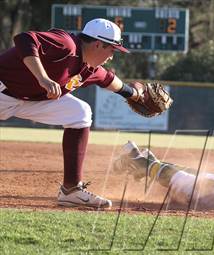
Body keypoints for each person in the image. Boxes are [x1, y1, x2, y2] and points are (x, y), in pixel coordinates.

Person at [0, 18, 149, 208]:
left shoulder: (89, 68)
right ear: (97, 44)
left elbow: (109, 80)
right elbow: (24, 39)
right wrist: (43, 78)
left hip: (27, 100)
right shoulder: (66, 44)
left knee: (80, 113)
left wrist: (134, 94)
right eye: (112, 50)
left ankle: (71, 191)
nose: (112, 56)